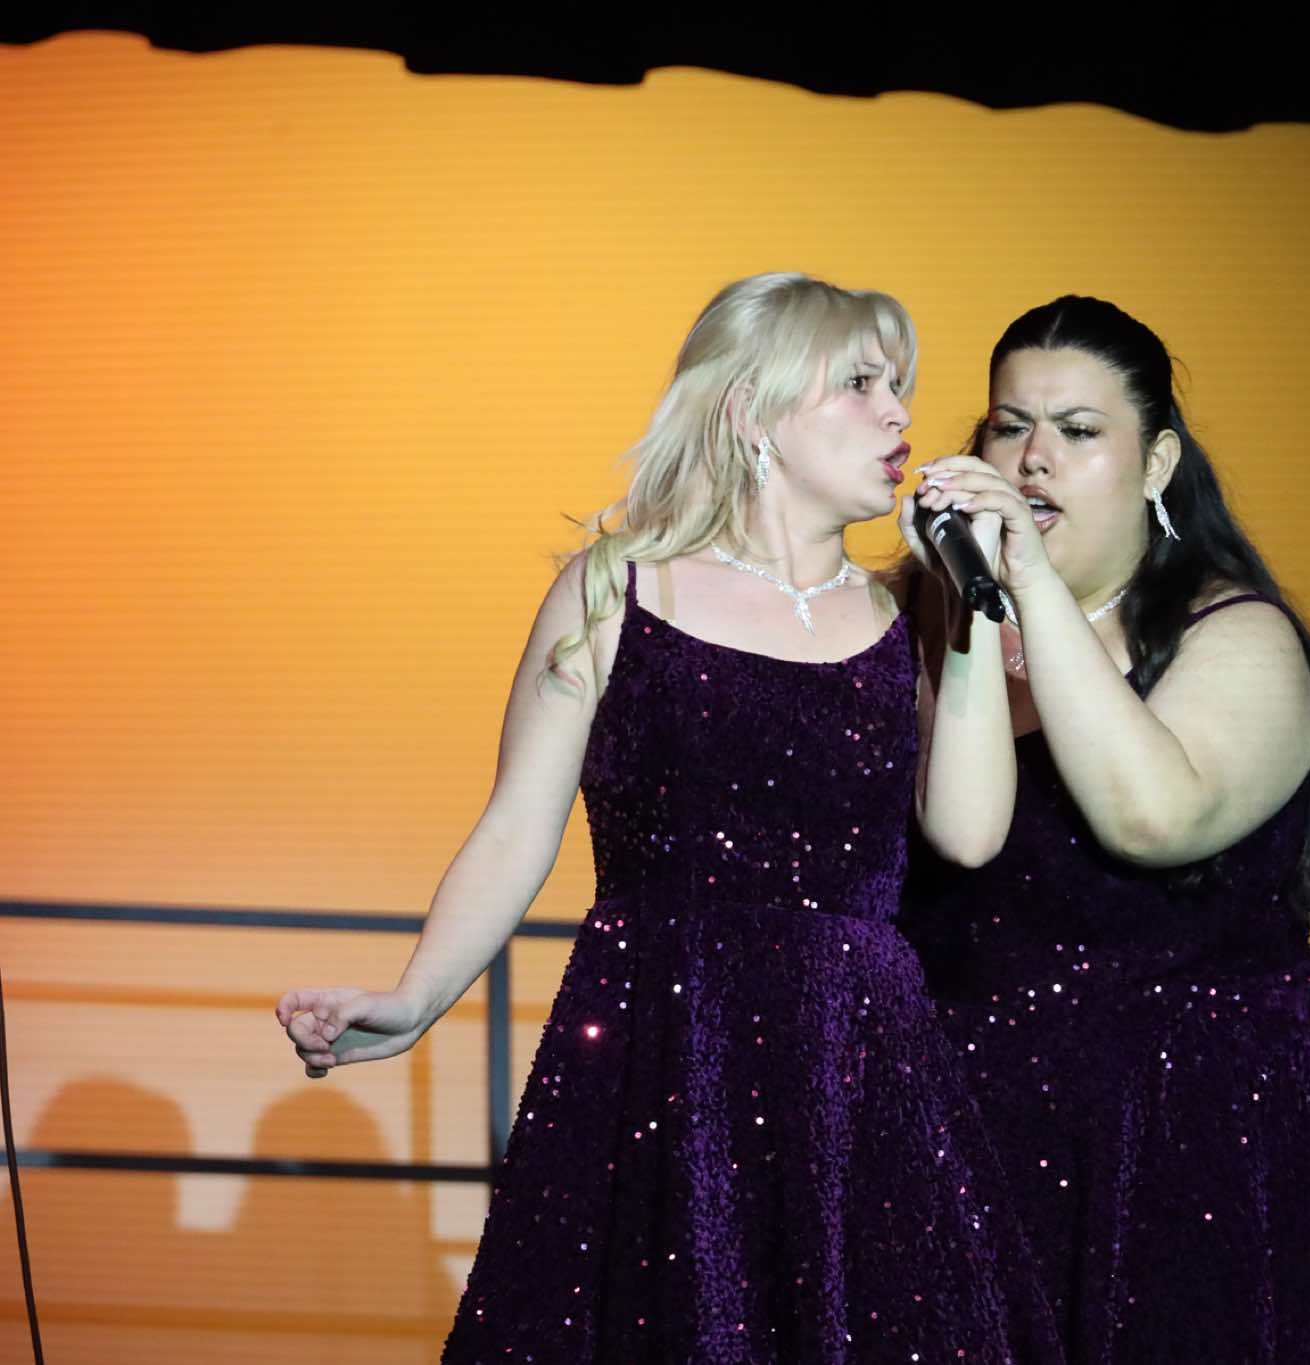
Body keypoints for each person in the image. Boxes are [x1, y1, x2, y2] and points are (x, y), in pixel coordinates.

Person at [275, 272, 1060, 1364]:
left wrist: (975, 608)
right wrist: (417, 996)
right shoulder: (619, 589)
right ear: (749, 408)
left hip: (856, 1065)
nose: (899, 416)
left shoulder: (894, 617)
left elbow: (968, 834)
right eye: (860, 383)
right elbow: (516, 826)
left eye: (901, 388)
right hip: (664, 1048)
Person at [897, 296, 1310, 1362]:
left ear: (1157, 462)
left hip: (1190, 1136)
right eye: (1007, 426)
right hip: (965, 1128)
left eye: (1077, 431)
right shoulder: (932, 622)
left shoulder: (1236, 634)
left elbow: (1153, 815)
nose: (1032, 460)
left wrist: (1026, 581)